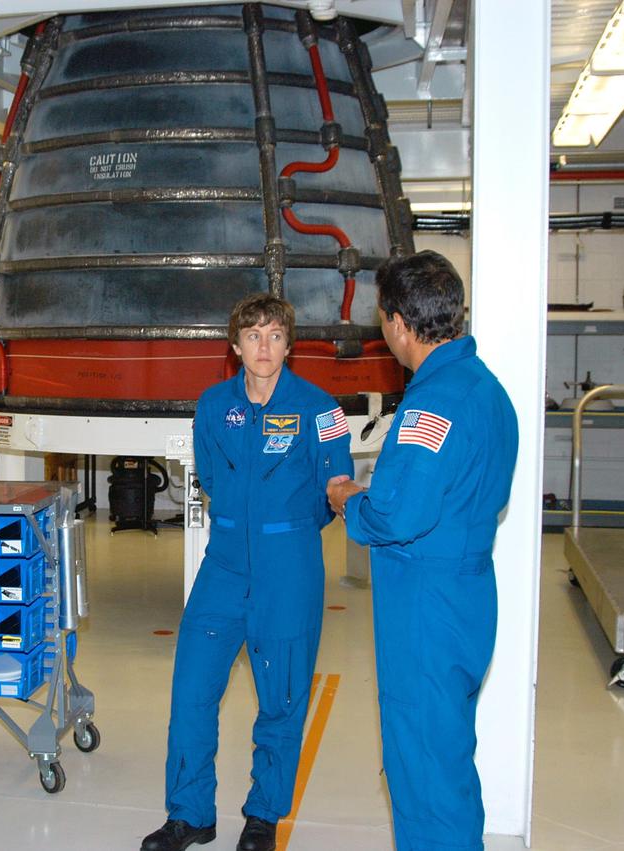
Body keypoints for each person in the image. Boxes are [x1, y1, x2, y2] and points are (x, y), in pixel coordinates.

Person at [142, 294, 353, 851]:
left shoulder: (320, 408)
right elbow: (210, 474)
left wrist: (329, 506)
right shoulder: (213, 406)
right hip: (225, 564)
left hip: (290, 567)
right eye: (253, 335)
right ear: (235, 346)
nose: (264, 346)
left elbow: (335, 483)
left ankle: (264, 816)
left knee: (281, 699)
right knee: (192, 689)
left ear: (289, 344)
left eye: (275, 335)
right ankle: (190, 813)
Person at [326, 250, 517, 851]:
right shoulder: (486, 388)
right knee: (448, 757)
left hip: (425, 611)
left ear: (401, 325)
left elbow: (400, 514)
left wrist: (350, 501)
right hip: (465, 596)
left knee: (423, 768)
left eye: (383, 319)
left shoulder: (433, 403)